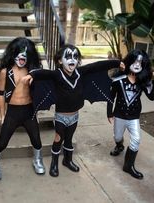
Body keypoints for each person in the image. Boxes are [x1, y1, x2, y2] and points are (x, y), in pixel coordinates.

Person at [23, 44, 124, 177]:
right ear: (60, 61)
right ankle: (54, 163)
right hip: (61, 117)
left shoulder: (80, 73)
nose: (72, 60)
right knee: (59, 139)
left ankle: (67, 160)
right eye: (68, 57)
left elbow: (98, 65)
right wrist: (31, 75)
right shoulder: (57, 75)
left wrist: (118, 63)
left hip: (75, 116)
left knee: (69, 139)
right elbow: (42, 73)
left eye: (75, 57)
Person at [0, 37, 45, 181]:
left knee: (37, 140)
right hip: (12, 112)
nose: (22, 56)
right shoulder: (5, 72)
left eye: (26, 53)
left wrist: (36, 111)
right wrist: (2, 114)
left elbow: (37, 93)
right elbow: (1, 94)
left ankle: (37, 160)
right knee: (2, 142)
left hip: (29, 112)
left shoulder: (33, 71)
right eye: (19, 52)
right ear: (12, 53)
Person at [107, 49, 154, 179]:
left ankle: (128, 166)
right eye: (135, 61)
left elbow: (152, 97)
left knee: (136, 140)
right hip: (119, 115)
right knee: (117, 136)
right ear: (129, 61)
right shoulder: (118, 79)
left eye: (140, 62)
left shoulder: (142, 81)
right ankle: (119, 146)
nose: (137, 65)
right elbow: (111, 97)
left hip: (134, 117)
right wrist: (109, 113)